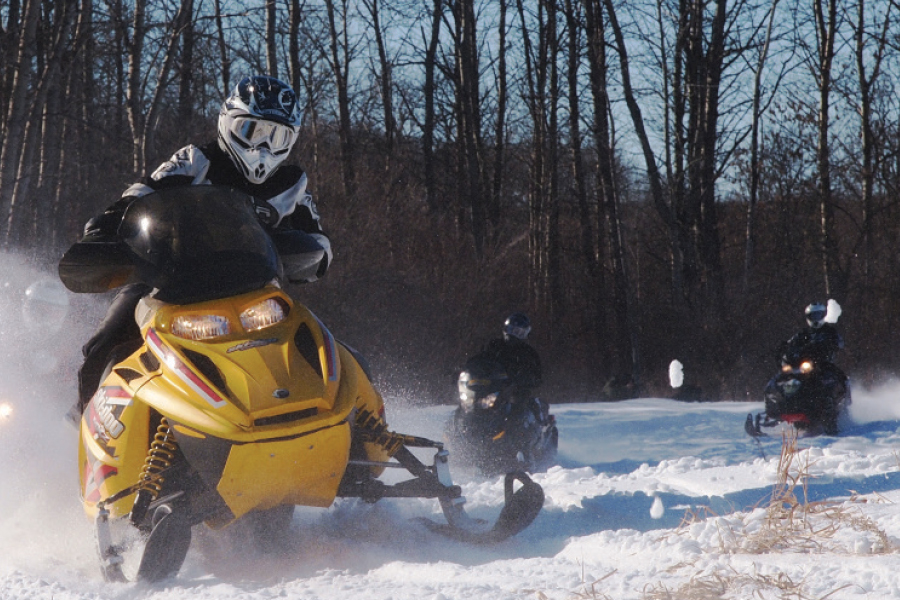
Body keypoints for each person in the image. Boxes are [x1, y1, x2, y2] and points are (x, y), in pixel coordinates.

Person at [73, 75, 331, 415]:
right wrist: (105, 227)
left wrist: (307, 254)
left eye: (277, 136)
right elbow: (142, 193)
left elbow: (318, 240)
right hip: (170, 281)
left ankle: (354, 420)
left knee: (317, 343)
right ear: (228, 122)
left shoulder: (292, 184)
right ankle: (84, 421)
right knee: (108, 341)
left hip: (255, 290)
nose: (263, 147)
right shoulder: (196, 160)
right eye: (253, 131)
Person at [466, 313, 544, 418]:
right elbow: (479, 359)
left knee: (516, 412)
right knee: (467, 404)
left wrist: (522, 379)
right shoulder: (494, 345)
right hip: (491, 387)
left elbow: (537, 375)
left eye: (519, 333)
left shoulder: (528, 353)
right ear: (506, 329)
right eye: (512, 330)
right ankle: (457, 428)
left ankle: (517, 433)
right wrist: (465, 371)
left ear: (525, 334)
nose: (514, 335)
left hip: (515, 391)